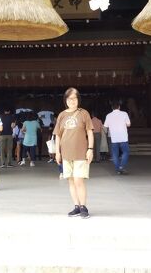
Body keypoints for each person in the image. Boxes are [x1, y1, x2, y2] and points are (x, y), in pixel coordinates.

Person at [54, 88, 94, 219]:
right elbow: (58, 135)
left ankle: (83, 206)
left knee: (78, 180)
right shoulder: (61, 115)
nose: (72, 101)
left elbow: (89, 132)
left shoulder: (84, 113)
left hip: (80, 153)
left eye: (75, 98)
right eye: (69, 98)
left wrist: (90, 149)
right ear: (66, 100)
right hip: (66, 153)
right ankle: (76, 206)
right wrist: (57, 152)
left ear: (78, 99)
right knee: (71, 181)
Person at [104, 100, 131, 175]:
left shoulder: (108, 115)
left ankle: (118, 169)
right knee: (125, 152)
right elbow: (128, 124)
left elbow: (105, 126)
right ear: (119, 107)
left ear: (112, 108)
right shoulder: (124, 114)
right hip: (123, 137)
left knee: (115, 154)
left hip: (114, 138)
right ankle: (121, 167)